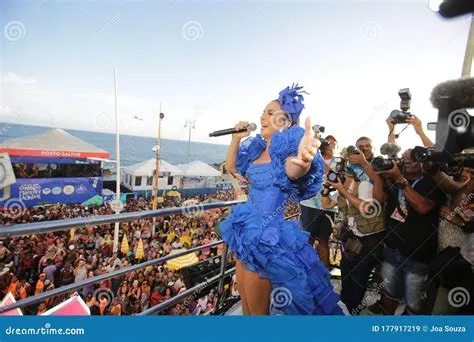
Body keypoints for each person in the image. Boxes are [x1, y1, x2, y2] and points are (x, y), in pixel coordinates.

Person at [220, 84, 343, 315]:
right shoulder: (256, 149)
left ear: (286, 122)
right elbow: (231, 167)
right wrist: (236, 139)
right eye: (263, 112)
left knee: (257, 316)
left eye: (269, 112)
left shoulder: (286, 151)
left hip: (267, 239)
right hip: (246, 234)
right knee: (246, 308)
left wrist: (303, 162)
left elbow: (292, 170)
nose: (262, 117)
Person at [300, 134, 339, 267]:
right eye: (327, 143)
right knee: (307, 239)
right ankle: (307, 269)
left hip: (328, 206)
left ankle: (324, 271)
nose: (329, 145)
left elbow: (332, 176)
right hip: (309, 204)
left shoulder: (340, 162)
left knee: (323, 241)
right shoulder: (312, 159)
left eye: (332, 143)